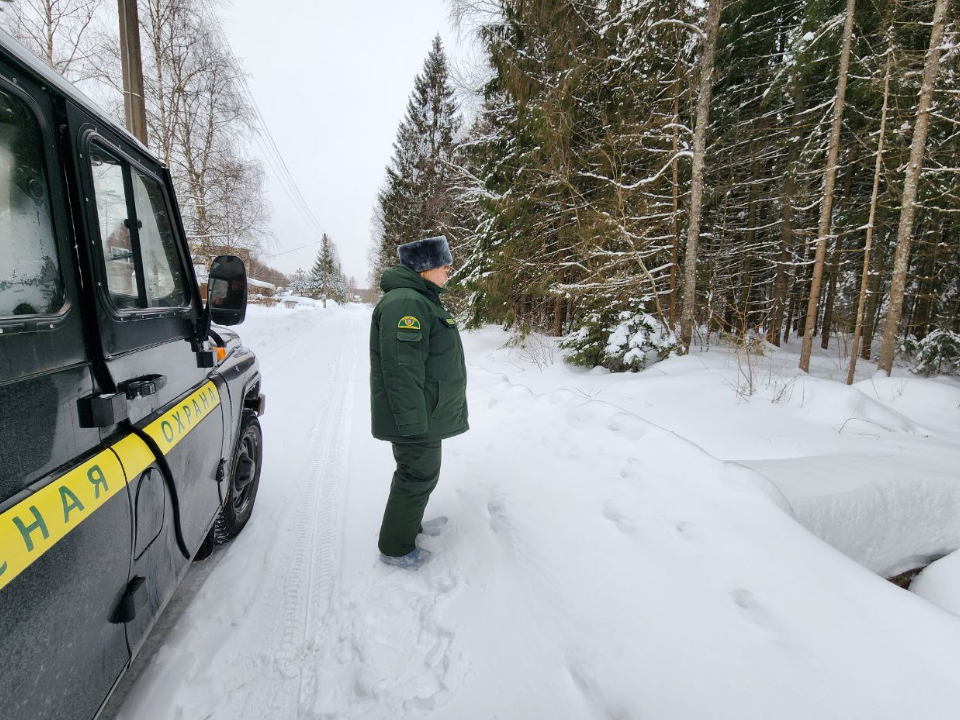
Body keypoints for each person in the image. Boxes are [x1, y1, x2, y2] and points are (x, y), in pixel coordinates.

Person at [370, 236, 469, 570]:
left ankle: (409, 526)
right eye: (444, 268)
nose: (448, 274)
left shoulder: (419, 299)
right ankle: (395, 548)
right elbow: (400, 369)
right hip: (416, 416)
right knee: (417, 475)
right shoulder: (406, 303)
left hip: (427, 411)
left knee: (420, 473)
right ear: (425, 269)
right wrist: (412, 423)